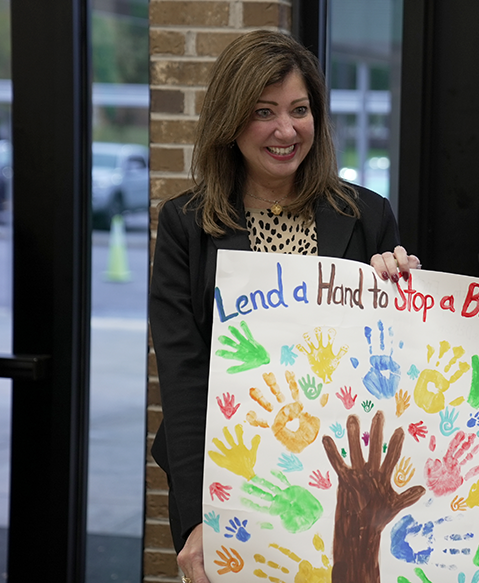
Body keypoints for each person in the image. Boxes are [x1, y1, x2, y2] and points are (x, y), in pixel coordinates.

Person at [148, 30, 420, 583]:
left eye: (300, 110)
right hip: (240, 474)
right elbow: (183, 380)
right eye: (263, 112)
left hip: (341, 475)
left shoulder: (367, 216)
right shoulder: (187, 226)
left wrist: (405, 288)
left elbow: (397, 367)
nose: (285, 130)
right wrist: (200, 519)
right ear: (230, 121)